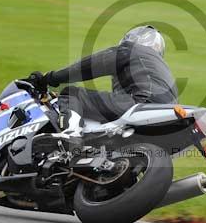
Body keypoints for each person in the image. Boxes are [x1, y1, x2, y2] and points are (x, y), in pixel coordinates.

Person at [24, 26, 178, 143]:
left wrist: (49, 78)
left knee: (73, 93)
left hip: (141, 105)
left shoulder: (129, 50)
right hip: (166, 120)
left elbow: (88, 67)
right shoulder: (163, 69)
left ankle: (71, 134)